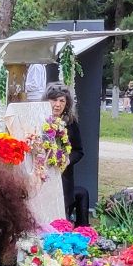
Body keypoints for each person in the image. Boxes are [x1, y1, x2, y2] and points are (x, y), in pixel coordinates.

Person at [44, 81, 89, 223]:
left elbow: (78, 151)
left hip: (63, 178)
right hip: (43, 177)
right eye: (54, 100)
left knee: (62, 218)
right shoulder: (39, 120)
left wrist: (66, 159)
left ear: (67, 104)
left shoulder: (71, 123)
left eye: (61, 100)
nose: (57, 104)